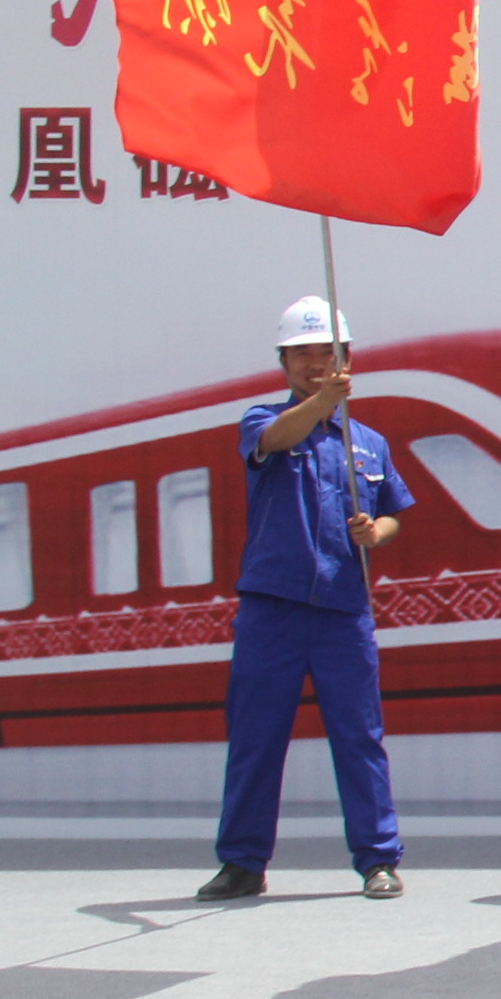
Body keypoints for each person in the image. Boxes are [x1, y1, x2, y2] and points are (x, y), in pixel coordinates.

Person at [195, 297, 413, 902]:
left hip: (343, 609)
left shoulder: (367, 443)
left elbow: (393, 513)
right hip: (273, 608)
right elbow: (276, 438)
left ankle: (378, 859)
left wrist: (376, 533)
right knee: (256, 736)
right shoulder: (262, 419)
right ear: (283, 362)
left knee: (359, 736)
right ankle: (242, 863)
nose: (315, 364)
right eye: (302, 355)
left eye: (327, 353)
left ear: (347, 358)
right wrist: (324, 401)